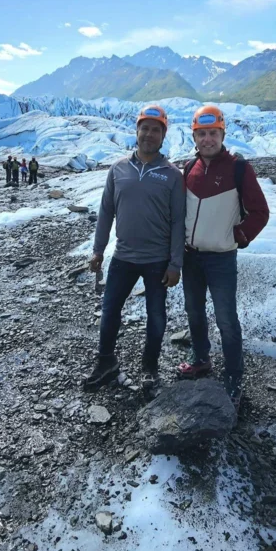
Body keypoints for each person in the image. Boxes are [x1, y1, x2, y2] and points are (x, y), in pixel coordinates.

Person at [85, 104, 185, 392]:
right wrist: (98, 250)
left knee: (156, 316)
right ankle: (106, 363)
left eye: (156, 130)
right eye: (145, 128)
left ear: (163, 135)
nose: (149, 134)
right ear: (137, 131)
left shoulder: (172, 175)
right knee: (109, 311)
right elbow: (106, 212)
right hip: (123, 256)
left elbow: (178, 221)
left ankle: (149, 368)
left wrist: (175, 264)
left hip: (157, 260)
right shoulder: (118, 169)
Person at [177, 104, 269, 410]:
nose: (207, 139)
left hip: (221, 259)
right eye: (202, 134)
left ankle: (234, 377)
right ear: (194, 137)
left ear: (222, 134)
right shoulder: (190, 169)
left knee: (226, 319)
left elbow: (260, 212)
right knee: (194, 312)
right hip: (191, 257)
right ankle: (201, 358)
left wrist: (240, 236)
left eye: (213, 133)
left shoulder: (239, 168)